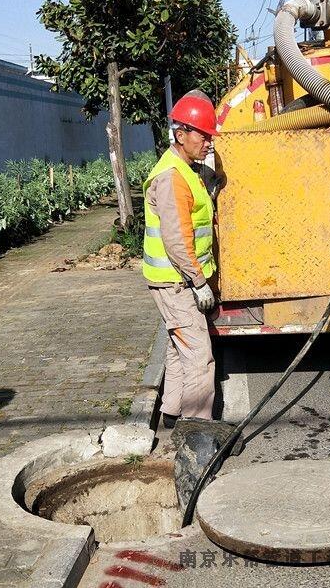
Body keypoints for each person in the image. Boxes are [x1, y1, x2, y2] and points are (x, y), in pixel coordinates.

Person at [143, 92, 218, 428]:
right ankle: (197, 434)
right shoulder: (172, 176)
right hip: (178, 282)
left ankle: (171, 417)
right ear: (181, 134)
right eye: (203, 136)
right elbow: (177, 240)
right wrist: (199, 283)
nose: (208, 144)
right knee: (199, 359)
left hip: (175, 280)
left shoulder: (185, 170)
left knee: (178, 350)